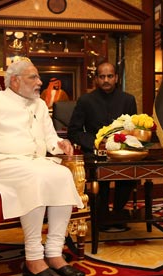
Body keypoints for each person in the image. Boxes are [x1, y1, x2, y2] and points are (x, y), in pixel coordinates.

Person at [0, 60, 85, 276]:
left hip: (33, 161)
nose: (40, 82)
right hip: (0, 161)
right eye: (33, 77)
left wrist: (59, 145)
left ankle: (54, 253)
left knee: (63, 174)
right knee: (34, 175)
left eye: (38, 77)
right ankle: (34, 258)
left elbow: (49, 137)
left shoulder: (41, 105)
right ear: (15, 81)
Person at [67, 61, 137, 232]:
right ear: (96, 79)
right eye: (102, 76)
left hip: (122, 151)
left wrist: (122, 142)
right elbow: (73, 131)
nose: (106, 80)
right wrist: (96, 142)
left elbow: (134, 129)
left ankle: (118, 212)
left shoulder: (128, 100)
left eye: (110, 76)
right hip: (95, 152)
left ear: (116, 78)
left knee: (131, 172)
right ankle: (102, 214)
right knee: (100, 177)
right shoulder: (85, 100)